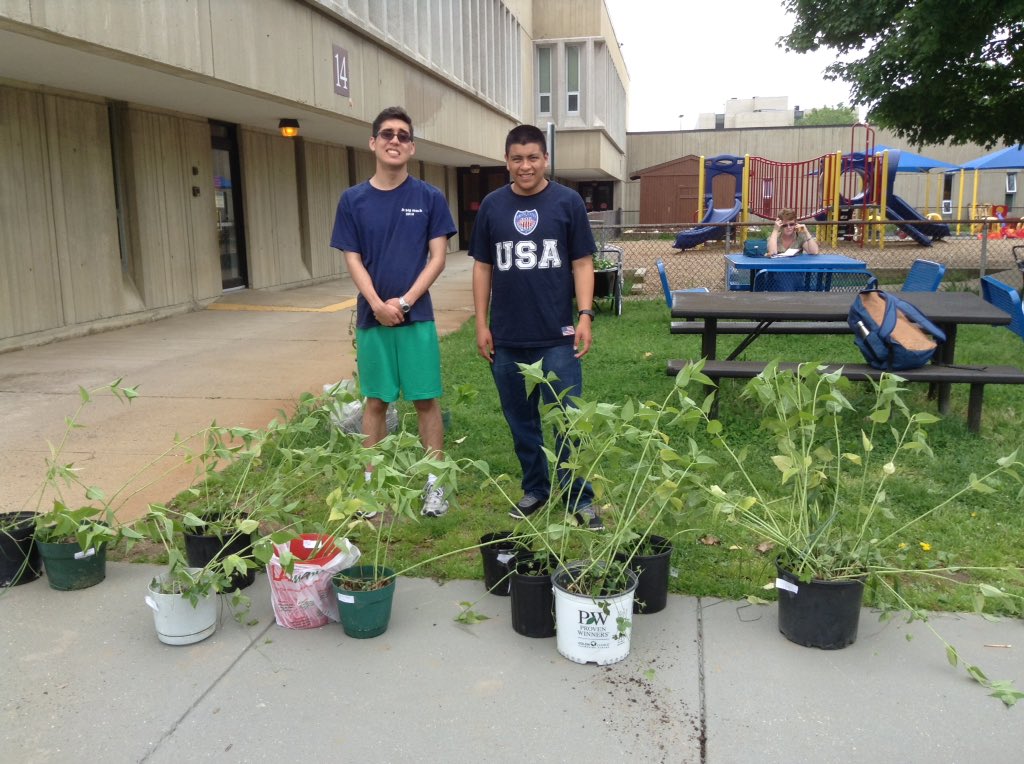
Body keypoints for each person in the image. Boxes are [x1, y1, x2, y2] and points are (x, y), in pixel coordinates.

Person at [469, 124, 603, 530]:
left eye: (532, 158)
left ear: (545, 159)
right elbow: (482, 267)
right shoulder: (492, 205)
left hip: (556, 336)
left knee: (567, 419)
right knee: (521, 421)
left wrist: (585, 315)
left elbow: (582, 262)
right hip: (507, 337)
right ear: (506, 161)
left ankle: (578, 497)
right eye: (517, 159)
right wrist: (481, 323)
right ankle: (536, 489)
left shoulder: (567, 202)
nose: (524, 166)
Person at [330, 106, 457, 517]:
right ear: (373, 143)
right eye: (387, 134)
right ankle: (371, 488)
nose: (395, 140)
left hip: (416, 317)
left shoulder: (429, 198)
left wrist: (403, 302)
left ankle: (434, 485)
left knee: (425, 400)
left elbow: (438, 258)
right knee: (375, 402)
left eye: (403, 135)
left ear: (412, 147)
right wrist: (376, 304)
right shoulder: (353, 200)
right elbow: (352, 259)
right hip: (373, 319)